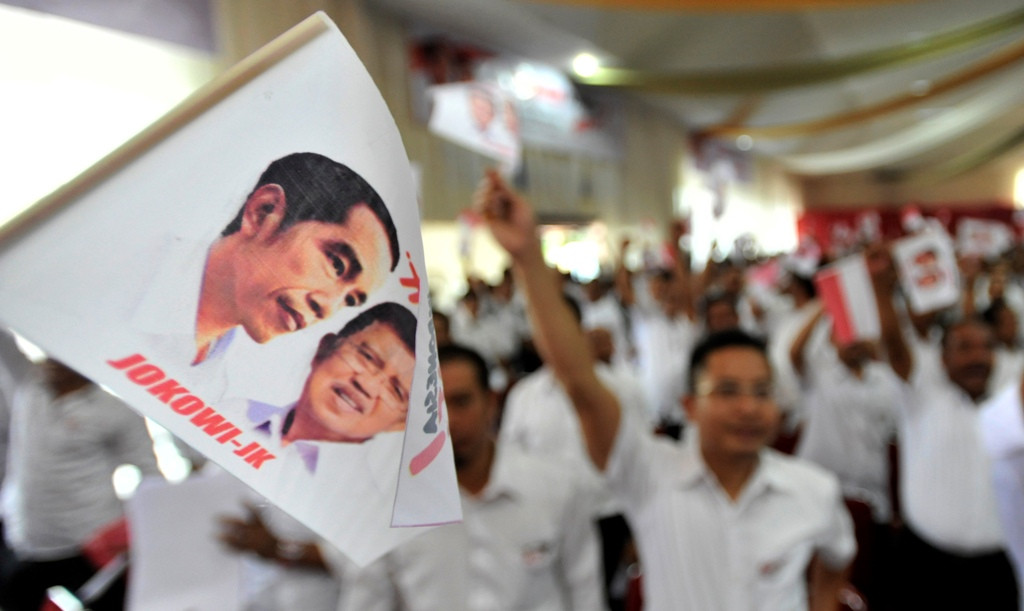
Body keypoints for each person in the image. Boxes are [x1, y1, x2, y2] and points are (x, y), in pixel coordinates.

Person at [475, 170, 855, 611]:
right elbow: (578, 382)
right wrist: (527, 257)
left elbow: (837, 559)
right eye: (728, 391)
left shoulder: (813, 491)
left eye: (762, 392)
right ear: (690, 406)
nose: (749, 408)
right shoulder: (650, 475)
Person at [338, 344, 606, 611]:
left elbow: (585, 593)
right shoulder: (387, 510)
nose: (448, 421)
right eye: (431, 406)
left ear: (491, 403)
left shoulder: (555, 487)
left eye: (461, 401)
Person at [133, 152, 401, 369]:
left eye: (350, 300)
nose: (327, 308)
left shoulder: (218, 384)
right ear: (264, 211)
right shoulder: (125, 272)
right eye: (337, 265)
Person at [871, 244, 1019, 609]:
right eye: (964, 349)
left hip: (996, 571)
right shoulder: (922, 394)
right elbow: (894, 341)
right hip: (924, 566)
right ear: (943, 358)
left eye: (985, 348)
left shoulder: (1010, 402)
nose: (977, 358)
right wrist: (880, 287)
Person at [0, 329, 160, 611]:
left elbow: (151, 476)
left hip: (86, 544)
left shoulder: (114, 410)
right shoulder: (28, 386)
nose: (50, 361)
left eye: (60, 356)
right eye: (48, 353)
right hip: (24, 538)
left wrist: (139, 532)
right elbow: (5, 342)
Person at [245, 302, 416, 471]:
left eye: (396, 391)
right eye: (367, 358)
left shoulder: (359, 497)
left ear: (400, 424)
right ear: (325, 347)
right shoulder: (235, 412)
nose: (366, 385)